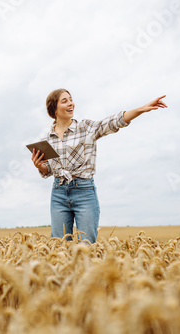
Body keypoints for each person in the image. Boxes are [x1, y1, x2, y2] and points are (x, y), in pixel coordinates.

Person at [31, 89, 167, 243]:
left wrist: (141, 109)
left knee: (87, 247)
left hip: (84, 192)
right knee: (58, 247)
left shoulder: (86, 127)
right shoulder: (47, 139)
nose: (71, 103)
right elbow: (50, 170)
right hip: (58, 193)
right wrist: (40, 166)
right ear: (54, 109)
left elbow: (114, 121)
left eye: (71, 99)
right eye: (65, 101)